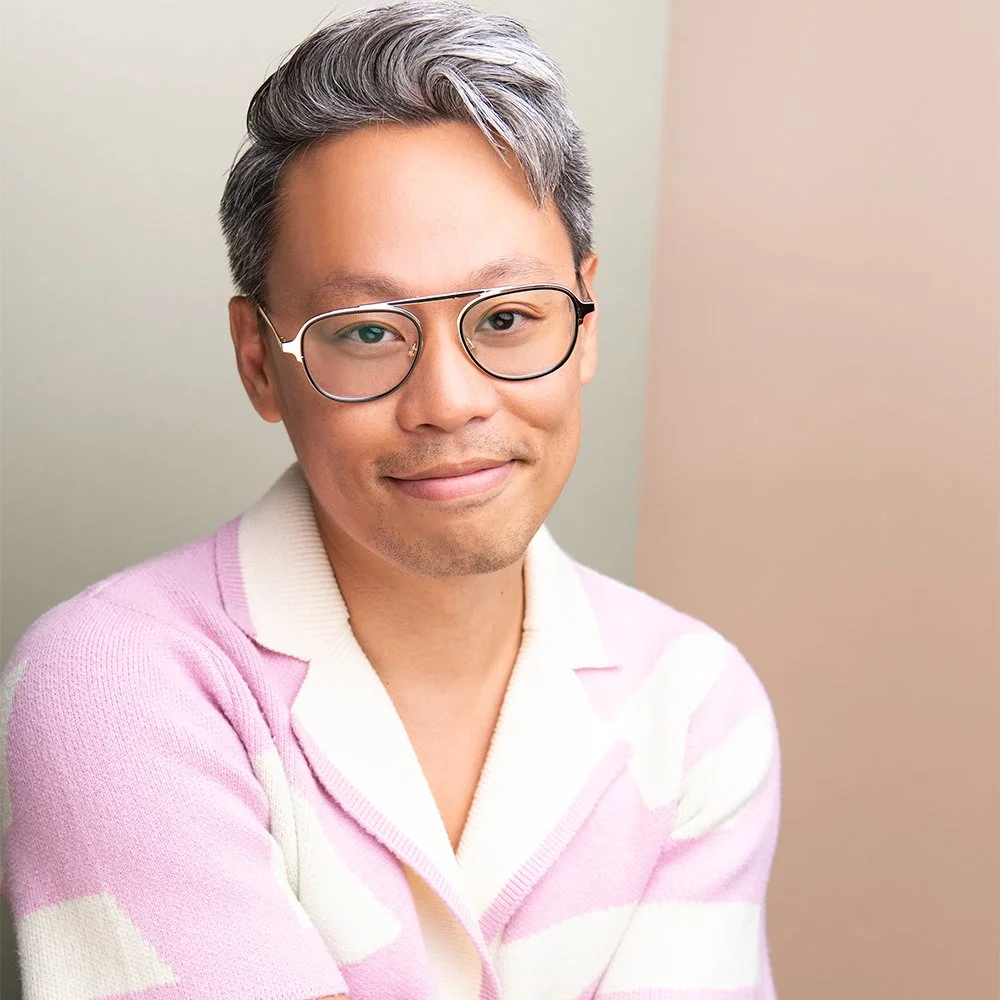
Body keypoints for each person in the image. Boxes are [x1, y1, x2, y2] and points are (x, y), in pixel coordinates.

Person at [0, 3, 781, 998]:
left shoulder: (693, 703)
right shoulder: (118, 682)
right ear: (259, 360)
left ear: (586, 323)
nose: (449, 401)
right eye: (367, 331)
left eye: (507, 317)